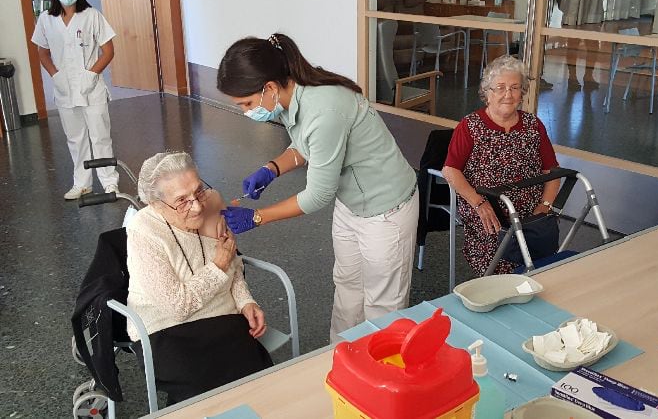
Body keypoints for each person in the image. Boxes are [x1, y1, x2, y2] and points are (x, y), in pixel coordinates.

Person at [216, 33, 418, 342]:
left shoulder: (323, 110)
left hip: (386, 210)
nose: (245, 111)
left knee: (382, 303)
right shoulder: (288, 97)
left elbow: (318, 195)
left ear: (269, 87)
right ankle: (342, 357)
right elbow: (305, 147)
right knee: (348, 287)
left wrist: (258, 217)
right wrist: (271, 169)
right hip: (352, 203)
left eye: (246, 103)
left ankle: (380, 374)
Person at [126, 151, 272, 404]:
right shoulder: (144, 231)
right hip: (165, 329)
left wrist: (245, 301)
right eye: (182, 200)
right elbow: (177, 307)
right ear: (156, 204)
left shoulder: (210, 205)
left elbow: (233, 265)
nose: (197, 205)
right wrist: (218, 265)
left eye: (199, 191)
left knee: (257, 380)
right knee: (201, 395)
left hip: (221, 317)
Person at [442, 55, 560, 277]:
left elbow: (551, 170)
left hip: (531, 210)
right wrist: (479, 204)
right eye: (500, 88)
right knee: (503, 248)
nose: (508, 94)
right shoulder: (470, 126)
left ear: (522, 92)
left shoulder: (533, 124)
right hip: (488, 209)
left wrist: (544, 206)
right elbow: (450, 170)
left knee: (541, 251)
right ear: (487, 92)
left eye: (515, 87)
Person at [31, 0, 119, 200]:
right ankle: (82, 183)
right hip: (65, 88)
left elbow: (108, 51)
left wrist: (91, 75)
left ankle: (110, 183)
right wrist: (55, 76)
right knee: (75, 138)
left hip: (92, 88)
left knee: (100, 135)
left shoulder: (91, 15)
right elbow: (42, 53)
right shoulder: (46, 19)